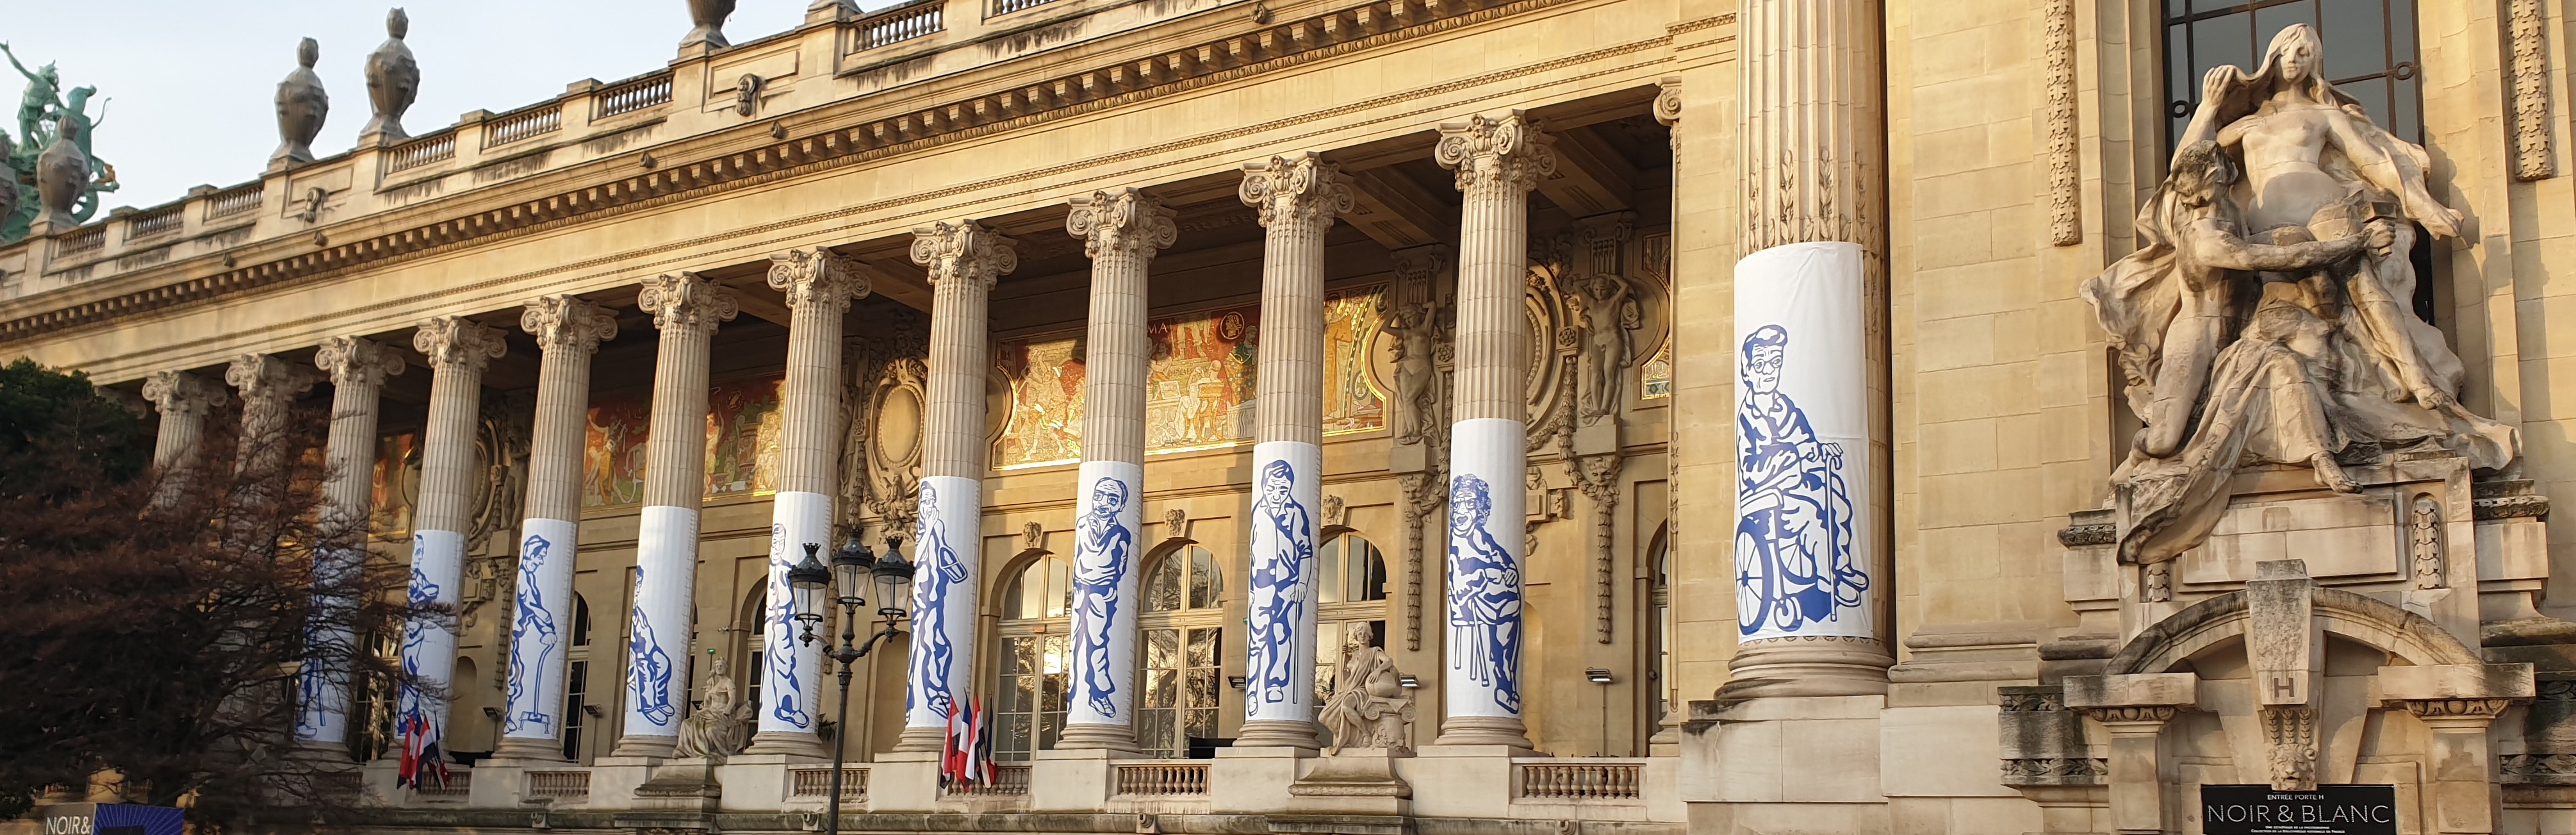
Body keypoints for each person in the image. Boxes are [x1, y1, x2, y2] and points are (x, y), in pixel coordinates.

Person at [1732, 325, 1866, 638]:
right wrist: (1789, 456)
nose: (1769, 371)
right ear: (1748, 371)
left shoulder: (1786, 408)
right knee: (1811, 517)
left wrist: (1821, 451)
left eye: (1775, 363)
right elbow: (1750, 470)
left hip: (1796, 484)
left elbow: (1807, 442)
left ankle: (1840, 566)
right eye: (1761, 364)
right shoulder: (1747, 417)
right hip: (1765, 494)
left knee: (1838, 502)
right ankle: (1826, 580)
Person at [1446, 474, 1522, 713]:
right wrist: (1485, 574)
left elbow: (1502, 557)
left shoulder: (1481, 536)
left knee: (1512, 602)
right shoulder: (1455, 541)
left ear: (1479, 509)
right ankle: (1503, 675)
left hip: (1486, 599)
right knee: (1505, 607)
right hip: (1467, 603)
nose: (1461, 511)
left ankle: (1505, 672)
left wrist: (1509, 572)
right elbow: (1458, 587)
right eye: (1457, 503)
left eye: (1469, 504)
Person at [1245, 461, 1312, 705]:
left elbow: (1306, 552)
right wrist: (1251, 590)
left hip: (1288, 585)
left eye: (1283, 490)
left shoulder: (1296, 513)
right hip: (1262, 584)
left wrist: (1302, 584)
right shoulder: (1258, 513)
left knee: (1282, 634)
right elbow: (1251, 551)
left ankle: (1275, 684)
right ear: (1263, 486)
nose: (1276, 495)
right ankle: (1253, 689)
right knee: (1257, 639)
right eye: (1272, 488)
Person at [1070, 478, 1133, 717]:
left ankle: (1099, 693)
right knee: (1075, 643)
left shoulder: (1121, 533)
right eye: (1099, 496)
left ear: (1120, 506)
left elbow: (1122, 565)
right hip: (1080, 591)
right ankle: (1075, 693)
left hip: (1101, 593)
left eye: (1112, 499)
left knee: (1097, 643)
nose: (1103, 503)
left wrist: (1105, 586)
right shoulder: (1082, 525)